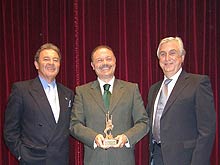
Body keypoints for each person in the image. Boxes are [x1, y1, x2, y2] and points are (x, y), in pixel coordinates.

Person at [70, 45, 149, 165]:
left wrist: (126, 137)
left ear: (115, 61)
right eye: (99, 60)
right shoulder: (82, 92)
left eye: (108, 59)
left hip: (123, 159)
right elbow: (74, 125)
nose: (105, 63)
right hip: (94, 160)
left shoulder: (131, 89)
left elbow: (143, 122)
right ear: (92, 65)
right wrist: (94, 138)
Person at [146, 36, 216, 165]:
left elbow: (207, 130)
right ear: (158, 59)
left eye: (172, 53)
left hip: (186, 159)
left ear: (182, 57)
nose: (167, 58)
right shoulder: (153, 89)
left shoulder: (198, 83)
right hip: (157, 157)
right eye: (163, 54)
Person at [4, 43, 74, 164]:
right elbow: (10, 130)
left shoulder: (68, 93)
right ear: (36, 64)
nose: (51, 63)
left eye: (55, 60)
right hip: (33, 159)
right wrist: (21, 155)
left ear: (59, 64)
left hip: (60, 159)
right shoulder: (22, 90)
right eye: (46, 59)